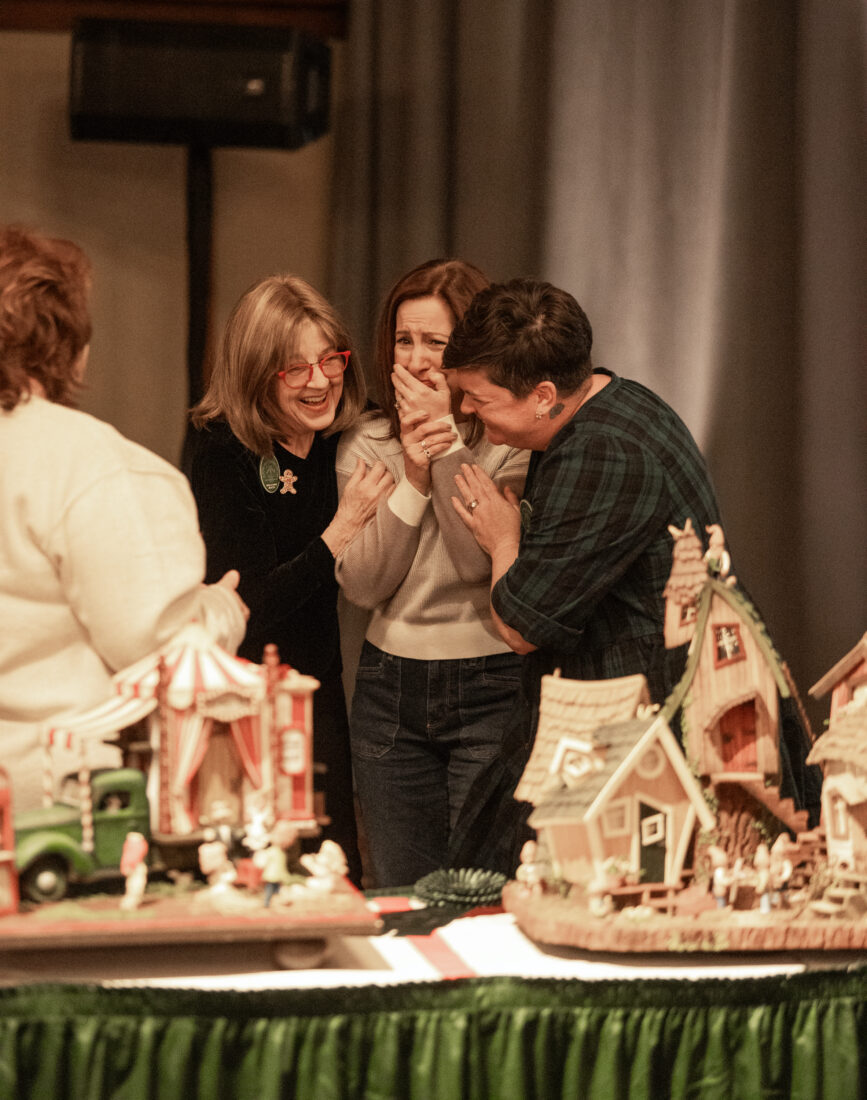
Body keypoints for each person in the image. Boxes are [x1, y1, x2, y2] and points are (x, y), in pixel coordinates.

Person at [442, 277, 724, 872]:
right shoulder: (617, 400)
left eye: (478, 397)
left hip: (635, 735)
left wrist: (502, 537)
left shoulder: (604, 452)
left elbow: (521, 626)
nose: (465, 409)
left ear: (543, 395)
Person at [0, 225, 248, 813]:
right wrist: (220, 610)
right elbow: (162, 650)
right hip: (52, 808)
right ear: (74, 345)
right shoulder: (94, 468)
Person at [189, 274, 392, 886]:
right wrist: (344, 526)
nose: (320, 380)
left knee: (334, 870)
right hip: (246, 700)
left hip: (319, 686)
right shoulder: (222, 450)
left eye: (329, 359)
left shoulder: (343, 439)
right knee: (256, 873)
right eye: (294, 368)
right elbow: (249, 602)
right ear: (256, 375)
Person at [335, 259, 529, 887]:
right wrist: (411, 478)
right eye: (404, 340)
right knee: (399, 893)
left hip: (490, 679)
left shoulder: (507, 438)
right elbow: (363, 584)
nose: (417, 361)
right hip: (390, 684)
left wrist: (443, 448)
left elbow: (478, 562)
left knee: (482, 889)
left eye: (436, 344)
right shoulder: (365, 440)